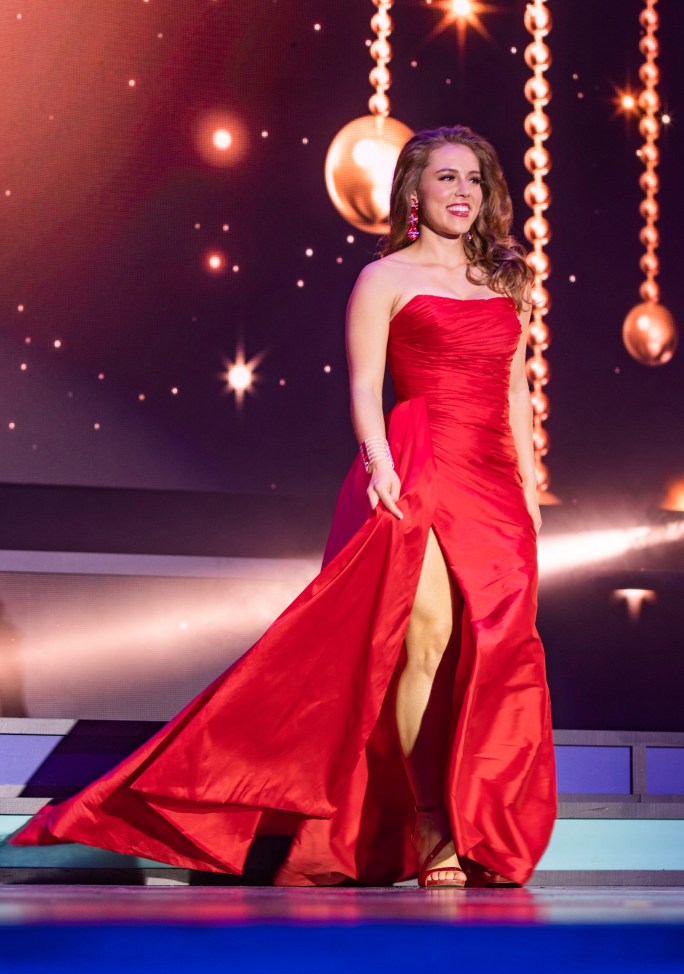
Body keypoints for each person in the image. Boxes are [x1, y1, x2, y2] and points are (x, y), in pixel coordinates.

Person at [10, 125, 556, 888]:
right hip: (424, 465)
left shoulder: (505, 284)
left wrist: (531, 490)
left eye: (473, 179)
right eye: (445, 178)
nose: (462, 192)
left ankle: (478, 815)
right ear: (414, 192)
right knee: (427, 637)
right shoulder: (384, 278)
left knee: (491, 653)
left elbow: (517, 393)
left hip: (497, 483)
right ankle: (433, 820)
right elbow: (365, 386)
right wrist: (380, 463)